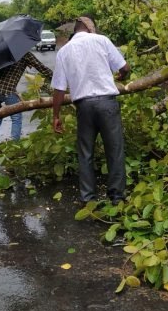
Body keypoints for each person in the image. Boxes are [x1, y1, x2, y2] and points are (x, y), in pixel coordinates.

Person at [51, 16, 131, 203]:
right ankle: (117, 197)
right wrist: (121, 74)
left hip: (84, 106)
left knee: (85, 152)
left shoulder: (64, 51)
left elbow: (59, 88)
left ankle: (88, 198)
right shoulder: (102, 40)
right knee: (115, 150)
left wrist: (55, 115)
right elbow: (125, 67)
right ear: (89, 27)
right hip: (107, 104)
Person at [0, 50, 53, 156]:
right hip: (7, 90)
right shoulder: (25, 53)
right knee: (16, 118)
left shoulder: (5, 52)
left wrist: (25, 64)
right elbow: (41, 67)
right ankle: (14, 149)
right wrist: (55, 77)